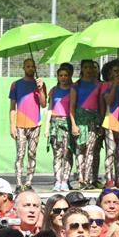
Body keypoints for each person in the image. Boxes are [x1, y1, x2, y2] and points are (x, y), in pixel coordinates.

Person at [9, 58, 47, 193]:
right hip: (20, 124)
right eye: (28, 66)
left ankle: (29, 182)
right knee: (20, 154)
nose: (30, 68)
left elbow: (43, 104)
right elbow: (12, 106)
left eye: (32, 66)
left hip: (35, 124)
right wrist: (12, 126)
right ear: (23, 68)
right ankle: (19, 183)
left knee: (32, 154)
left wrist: (41, 89)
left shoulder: (40, 84)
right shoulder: (16, 85)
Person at [46, 62, 80, 192]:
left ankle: (65, 180)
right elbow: (50, 108)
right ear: (57, 76)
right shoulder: (54, 91)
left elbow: (73, 108)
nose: (63, 77)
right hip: (55, 124)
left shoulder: (73, 89)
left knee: (67, 153)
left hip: (67, 123)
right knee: (57, 154)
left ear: (70, 76)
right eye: (61, 75)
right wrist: (47, 128)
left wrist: (73, 125)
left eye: (66, 75)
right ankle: (57, 181)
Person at [73, 60, 102, 190]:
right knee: (80, 149)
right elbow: (71, 107)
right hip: (80, 119)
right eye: (86, 67)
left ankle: (88, 178)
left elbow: (101, 105)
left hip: (93, 120)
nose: (89, 70)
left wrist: (101, 123)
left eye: (91, 67)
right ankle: (80, 178)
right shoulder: (76, 85)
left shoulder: (98, 85)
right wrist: (74, 124)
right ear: (82, 69)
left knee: (91, 149)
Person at [101, 60, 119, 189]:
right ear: (110, 73)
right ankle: (109, 179)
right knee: (110, 152)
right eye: (115, 71)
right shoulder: (107, 86)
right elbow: (109, 101)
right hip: (110, 121)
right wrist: (115, 85)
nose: (118, 73)